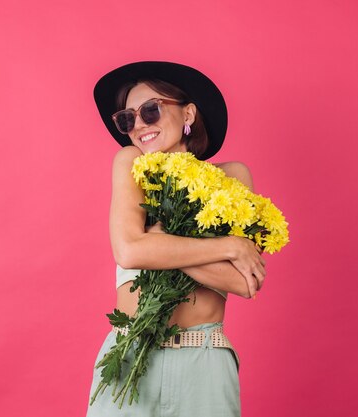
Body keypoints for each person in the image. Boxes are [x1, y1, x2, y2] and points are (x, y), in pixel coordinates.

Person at [86, 61, 267, 417]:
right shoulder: (130, 164)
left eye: (150, 110)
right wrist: (229, 246)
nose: (139, 126)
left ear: (188, 112)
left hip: (206, 362)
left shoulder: (232, 177)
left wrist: (161, 241)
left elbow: (244, 281)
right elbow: (130, 249)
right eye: (128, 119)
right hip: (130, 356)